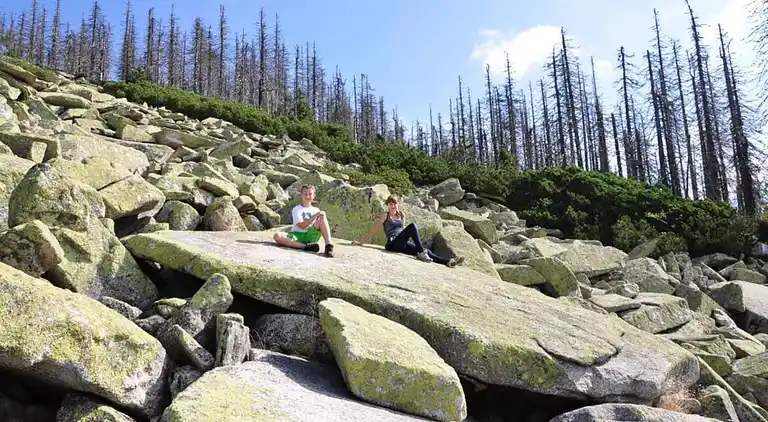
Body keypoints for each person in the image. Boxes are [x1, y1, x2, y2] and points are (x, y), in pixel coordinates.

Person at [352, 195, 464, 268]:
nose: (393, 206)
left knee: (426, 251)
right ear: (387, 205)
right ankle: (421, 253)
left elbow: (403, 231)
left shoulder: (401, 215)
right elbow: (374, 229)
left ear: (398, 204)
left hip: (402, 243)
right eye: (390, 204)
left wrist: (412, 244)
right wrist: (361, 242)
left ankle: (448, 262)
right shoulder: (385, 215)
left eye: (395, 203)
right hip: (392, 243)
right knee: (413, 227)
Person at [273, 184, 335, 257]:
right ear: (301, 195)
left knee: (322, 217)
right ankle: (305, 246)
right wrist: (315, 216)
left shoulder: (316, 210)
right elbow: (302, 225)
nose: (308, 196)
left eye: (310, 194)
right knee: (277, 236)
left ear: (314, 195)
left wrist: (319, 215)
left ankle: (329, 246)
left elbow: (318, 225)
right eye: (305, 194)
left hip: (311, 235)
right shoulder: (296, 209)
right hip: (297, 235)